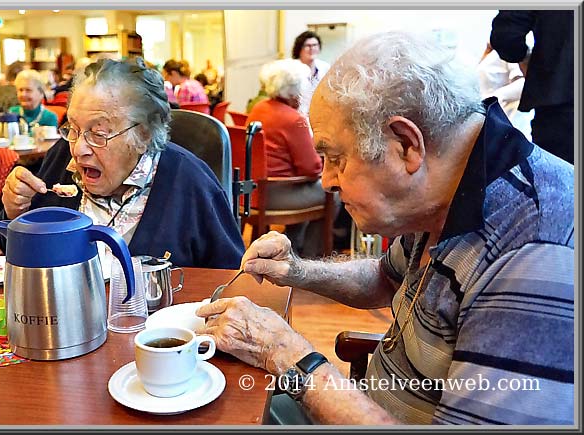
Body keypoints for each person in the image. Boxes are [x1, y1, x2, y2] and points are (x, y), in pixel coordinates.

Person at [195, 31, 574, 425]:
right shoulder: (443, 189)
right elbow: (384, 278)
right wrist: (297, 270)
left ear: (406, 144)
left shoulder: (534, 253)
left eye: (334, 157)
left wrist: (289, 356)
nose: (327, 180)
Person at [0, 57, 244, 269]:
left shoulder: (191, 183)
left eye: (99, 133)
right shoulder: (61, 157)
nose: (78, 149)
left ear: (143, 135)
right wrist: (16, 213)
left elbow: (229, 277)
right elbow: (18, 255)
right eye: (73, 128)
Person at [246, 58, 331, 257]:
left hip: (254, 192)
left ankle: (294, 246)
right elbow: (311, 169)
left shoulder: (258, 109)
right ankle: (311, 257)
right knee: (332, 191)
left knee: (314, 189)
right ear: (295, 91)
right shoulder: (294, 119)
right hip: (280, 192)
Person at [490, 10, 574, 163]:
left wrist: (527, 60)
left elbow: (506, 36)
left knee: (560, 182)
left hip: (559, 104)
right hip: (559, 102)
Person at [477, 41, 533, 140]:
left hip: (508, 121)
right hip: (489, 121)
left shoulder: (509, 51)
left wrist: (493, 99)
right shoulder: (492, 54)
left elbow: (523, 83)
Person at [291, 30, 330, 114]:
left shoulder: (325, 67)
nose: (312, 48)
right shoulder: (292, 69)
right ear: (299, 48)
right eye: (308, 45)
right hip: (297, 114)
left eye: (315, 45)